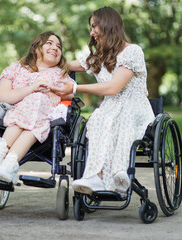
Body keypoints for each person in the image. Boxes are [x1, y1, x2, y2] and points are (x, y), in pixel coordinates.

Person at [50, 6, 155, 195]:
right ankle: (95, 177)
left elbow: (113, 88)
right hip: (110, 107)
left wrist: (75, 88)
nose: (91, 33)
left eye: (93, 27)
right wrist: (43, 58)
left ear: (107, 25)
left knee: (121, 117)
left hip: (135, 106)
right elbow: (66, 65)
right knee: (97, 119)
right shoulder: (98, 58)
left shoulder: (132, 51)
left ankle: (119, 173)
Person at [0, 31, 75, 184]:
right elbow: (4, 97)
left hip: (45, 117)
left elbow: (72, 92)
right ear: (36, 48)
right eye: (49, 43)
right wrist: (33, 88)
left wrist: (54, 91)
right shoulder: (16, 68)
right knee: (35, 99)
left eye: (59, 46)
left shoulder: (60, 74)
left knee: (38, 100)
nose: (56, 48)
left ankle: (3, 152)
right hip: (17, 113)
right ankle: (9, 162)